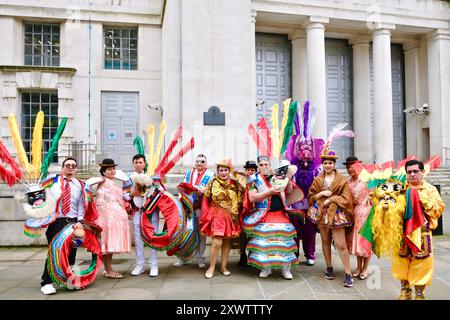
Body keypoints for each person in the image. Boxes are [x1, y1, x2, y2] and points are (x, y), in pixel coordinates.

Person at [243, 156, 303, 280]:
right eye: (261, 165)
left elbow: (290, 190)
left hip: (280, 214)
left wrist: (289, 176)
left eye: (266, 164)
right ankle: (266, 268)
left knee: (283, 242)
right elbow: (252, 198)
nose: (264, 167)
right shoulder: (253, 179)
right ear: (258, 167)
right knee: (265, 244)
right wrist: (269, 192)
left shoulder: (278, 175)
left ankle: (286, 269)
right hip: (263, 214)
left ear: (270, 165)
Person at [392, 159, 445, 300]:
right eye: (409, 172)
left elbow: (438, 209)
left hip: (422, 234)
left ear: (423, 172)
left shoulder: (430, 190)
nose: (413, 174)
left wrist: (420, 199)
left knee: (421, 264)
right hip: (402, 234)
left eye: (416, 171)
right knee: (402, 262)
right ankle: (405, 290)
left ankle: (420, 293)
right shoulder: (400, 189)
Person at [307, 149, 354, 287]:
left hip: (337, 214)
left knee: (341, 244)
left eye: (330, 163)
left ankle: (348, 273)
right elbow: (310, 196)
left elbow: (346, 198)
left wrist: (331, 199)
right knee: (325, 241)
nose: (328, 165)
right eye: (325, 163)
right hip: (321, 214)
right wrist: (321, 194)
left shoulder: (341, 180)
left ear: (334, 164)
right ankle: (329, 268)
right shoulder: (318, 179)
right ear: (323, 164)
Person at [40, 157, 86, 295]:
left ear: (76, 168)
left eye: (73, 165)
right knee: (54, 252)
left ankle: (68, 279)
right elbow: (41, 199)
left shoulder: (80, 185)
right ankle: (46, 282)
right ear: (63, 168)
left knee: (71, 253)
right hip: (56, 221)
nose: (70, 167)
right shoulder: (52, 182)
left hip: (72, 222)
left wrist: (80, 221)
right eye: (68, 165)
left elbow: (81, 206)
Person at [200, 159, 244, 278]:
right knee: (217, 240)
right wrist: (205, 214)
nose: (223, 173)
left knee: (227, 240)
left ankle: (224, 266)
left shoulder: (235, 183)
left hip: (230, 215)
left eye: (225, 170)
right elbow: (206, 197)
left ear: (229, 171)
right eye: (221, 170)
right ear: (217, 171)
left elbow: (242, 194)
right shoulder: (213, 181)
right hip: (217, 213)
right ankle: (212, 267)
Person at [94, 158, 131, 279]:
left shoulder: (112, 183)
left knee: (108, 246)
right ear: (103, 171)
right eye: (109, 169)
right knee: (106, 245)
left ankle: (107, 269)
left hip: (112, 218)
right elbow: (101, 203)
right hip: (106, 218)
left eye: (113, 169)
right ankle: (109, 270)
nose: (112, 171)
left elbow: (120, 198)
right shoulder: (103, 183)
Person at [175, 153, 214, 268]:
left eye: (202, 161)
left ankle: (200, 258)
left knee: (201, 234)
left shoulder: (210, 175)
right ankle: (183, 257)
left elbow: (213, 191)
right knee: (185, 232)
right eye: (197, 161)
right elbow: (182, 188)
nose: (199, 163)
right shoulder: (188, 174)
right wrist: (181, 195)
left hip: (202, 208)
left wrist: (205, 190)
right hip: (187, 208)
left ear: (206, 163)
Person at [125, 154, 159, 277]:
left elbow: (160, 192)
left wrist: (150, 192)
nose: (138, 164)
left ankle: (154, 264)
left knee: (152, 237)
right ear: (133, 164)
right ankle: (139, 264)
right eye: (136, 162)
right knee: (138, 239)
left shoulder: (153, 177)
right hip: (136, 211)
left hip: (151, 212)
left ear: (145, 163)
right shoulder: (128, 178)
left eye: (140, 162)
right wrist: (131, 194)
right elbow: (124, 195)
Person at [344, 156, 372, 280]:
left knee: (365, 241)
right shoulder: (348, 182)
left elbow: (375, 194)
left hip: (366, 213)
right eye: (348, 167)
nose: (350, 169)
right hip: (353, 214)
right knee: (356, 241)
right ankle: (358, 267)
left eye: (352, 166)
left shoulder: (367, 180)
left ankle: (365, 268)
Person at [237, 160, 258, 267]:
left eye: (252, 170)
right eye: (248, 169)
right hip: (243, 211)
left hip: (255, 212)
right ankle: (242, 255)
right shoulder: (240, 179)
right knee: (243, 235)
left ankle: (251, 254)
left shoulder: (258, 180)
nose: (250, 171)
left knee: (252, 234)